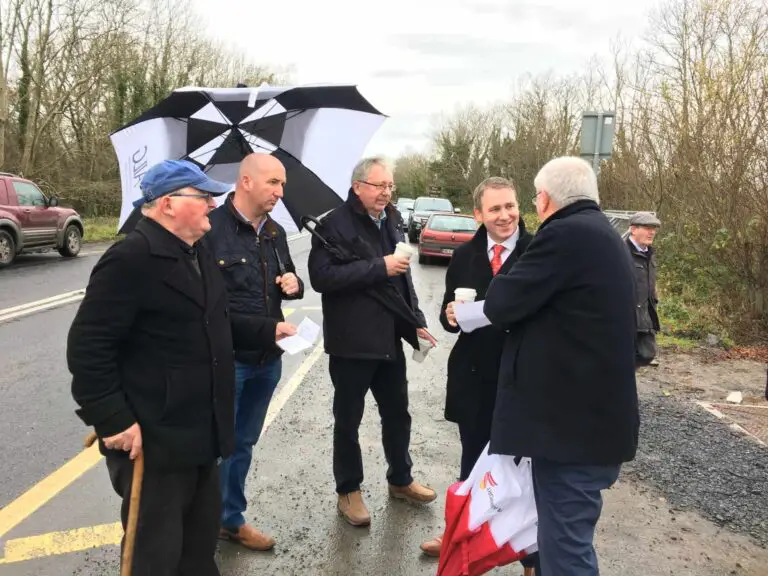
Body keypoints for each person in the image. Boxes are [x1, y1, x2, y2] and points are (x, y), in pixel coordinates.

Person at [67, 160, 295, 575]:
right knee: (154, 556)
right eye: (203, 196)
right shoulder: (130, 258)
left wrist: (267, 330)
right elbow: (88, 348)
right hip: (153, 440)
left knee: (197, 552)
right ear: (168, 204)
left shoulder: (198, 254)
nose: (213, 203)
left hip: (201, 434)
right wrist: (113, 420)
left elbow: (217, 321)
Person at [484, 156, 640, 576]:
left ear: (546, 198)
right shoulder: (602, 234)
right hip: (590, 426)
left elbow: (501, 303)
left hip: (573, 435)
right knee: (565, 541)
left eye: (534, 197)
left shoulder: (565, 235)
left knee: (565, 550)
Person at [308, 156, 438, 527]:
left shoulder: (394, 219)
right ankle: (348, 490)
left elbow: (403, 279)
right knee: (348, 421)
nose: (386, 193)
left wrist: (416, 323)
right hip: (351, 342)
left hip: (389, 339)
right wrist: (378, 266)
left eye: (390, 186)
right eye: (379, 186)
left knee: (398, 414)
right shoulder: (333, 225)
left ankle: (401, 479)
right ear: (358, 186)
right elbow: (322, 277)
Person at [419, 177, 534, 568]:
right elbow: (447, 315)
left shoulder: (539, 252)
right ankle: (459, 536)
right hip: (474, 375)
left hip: (525, 379)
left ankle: (528, 549)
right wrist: (450, 316)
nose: (505, 215)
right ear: (478, 215)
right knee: (473, 461)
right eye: (495, 209)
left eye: (510, 206)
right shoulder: (465, 255)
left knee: (524, 466)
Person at [204, 153, 304, 551]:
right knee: (216, 446)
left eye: (282, 184)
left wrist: (294, 283)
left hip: (268, 360)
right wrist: (267, 329)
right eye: (273, 183)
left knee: (243, 443)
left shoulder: (276, 233)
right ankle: (202, 523)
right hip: (228, 362)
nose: (280, 192)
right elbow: (209, 309)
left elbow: (289, 281)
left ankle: (231, 519)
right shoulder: (209, 231)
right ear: (245, 182)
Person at [627, 211, 661, 367]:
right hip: (627, 317)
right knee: (623, 357)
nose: (652, 232)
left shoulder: (650, 254)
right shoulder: (621, 252)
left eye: (653, 228)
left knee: (647, 353)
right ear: (633, 229)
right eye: (647, 227)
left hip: (646, 316)